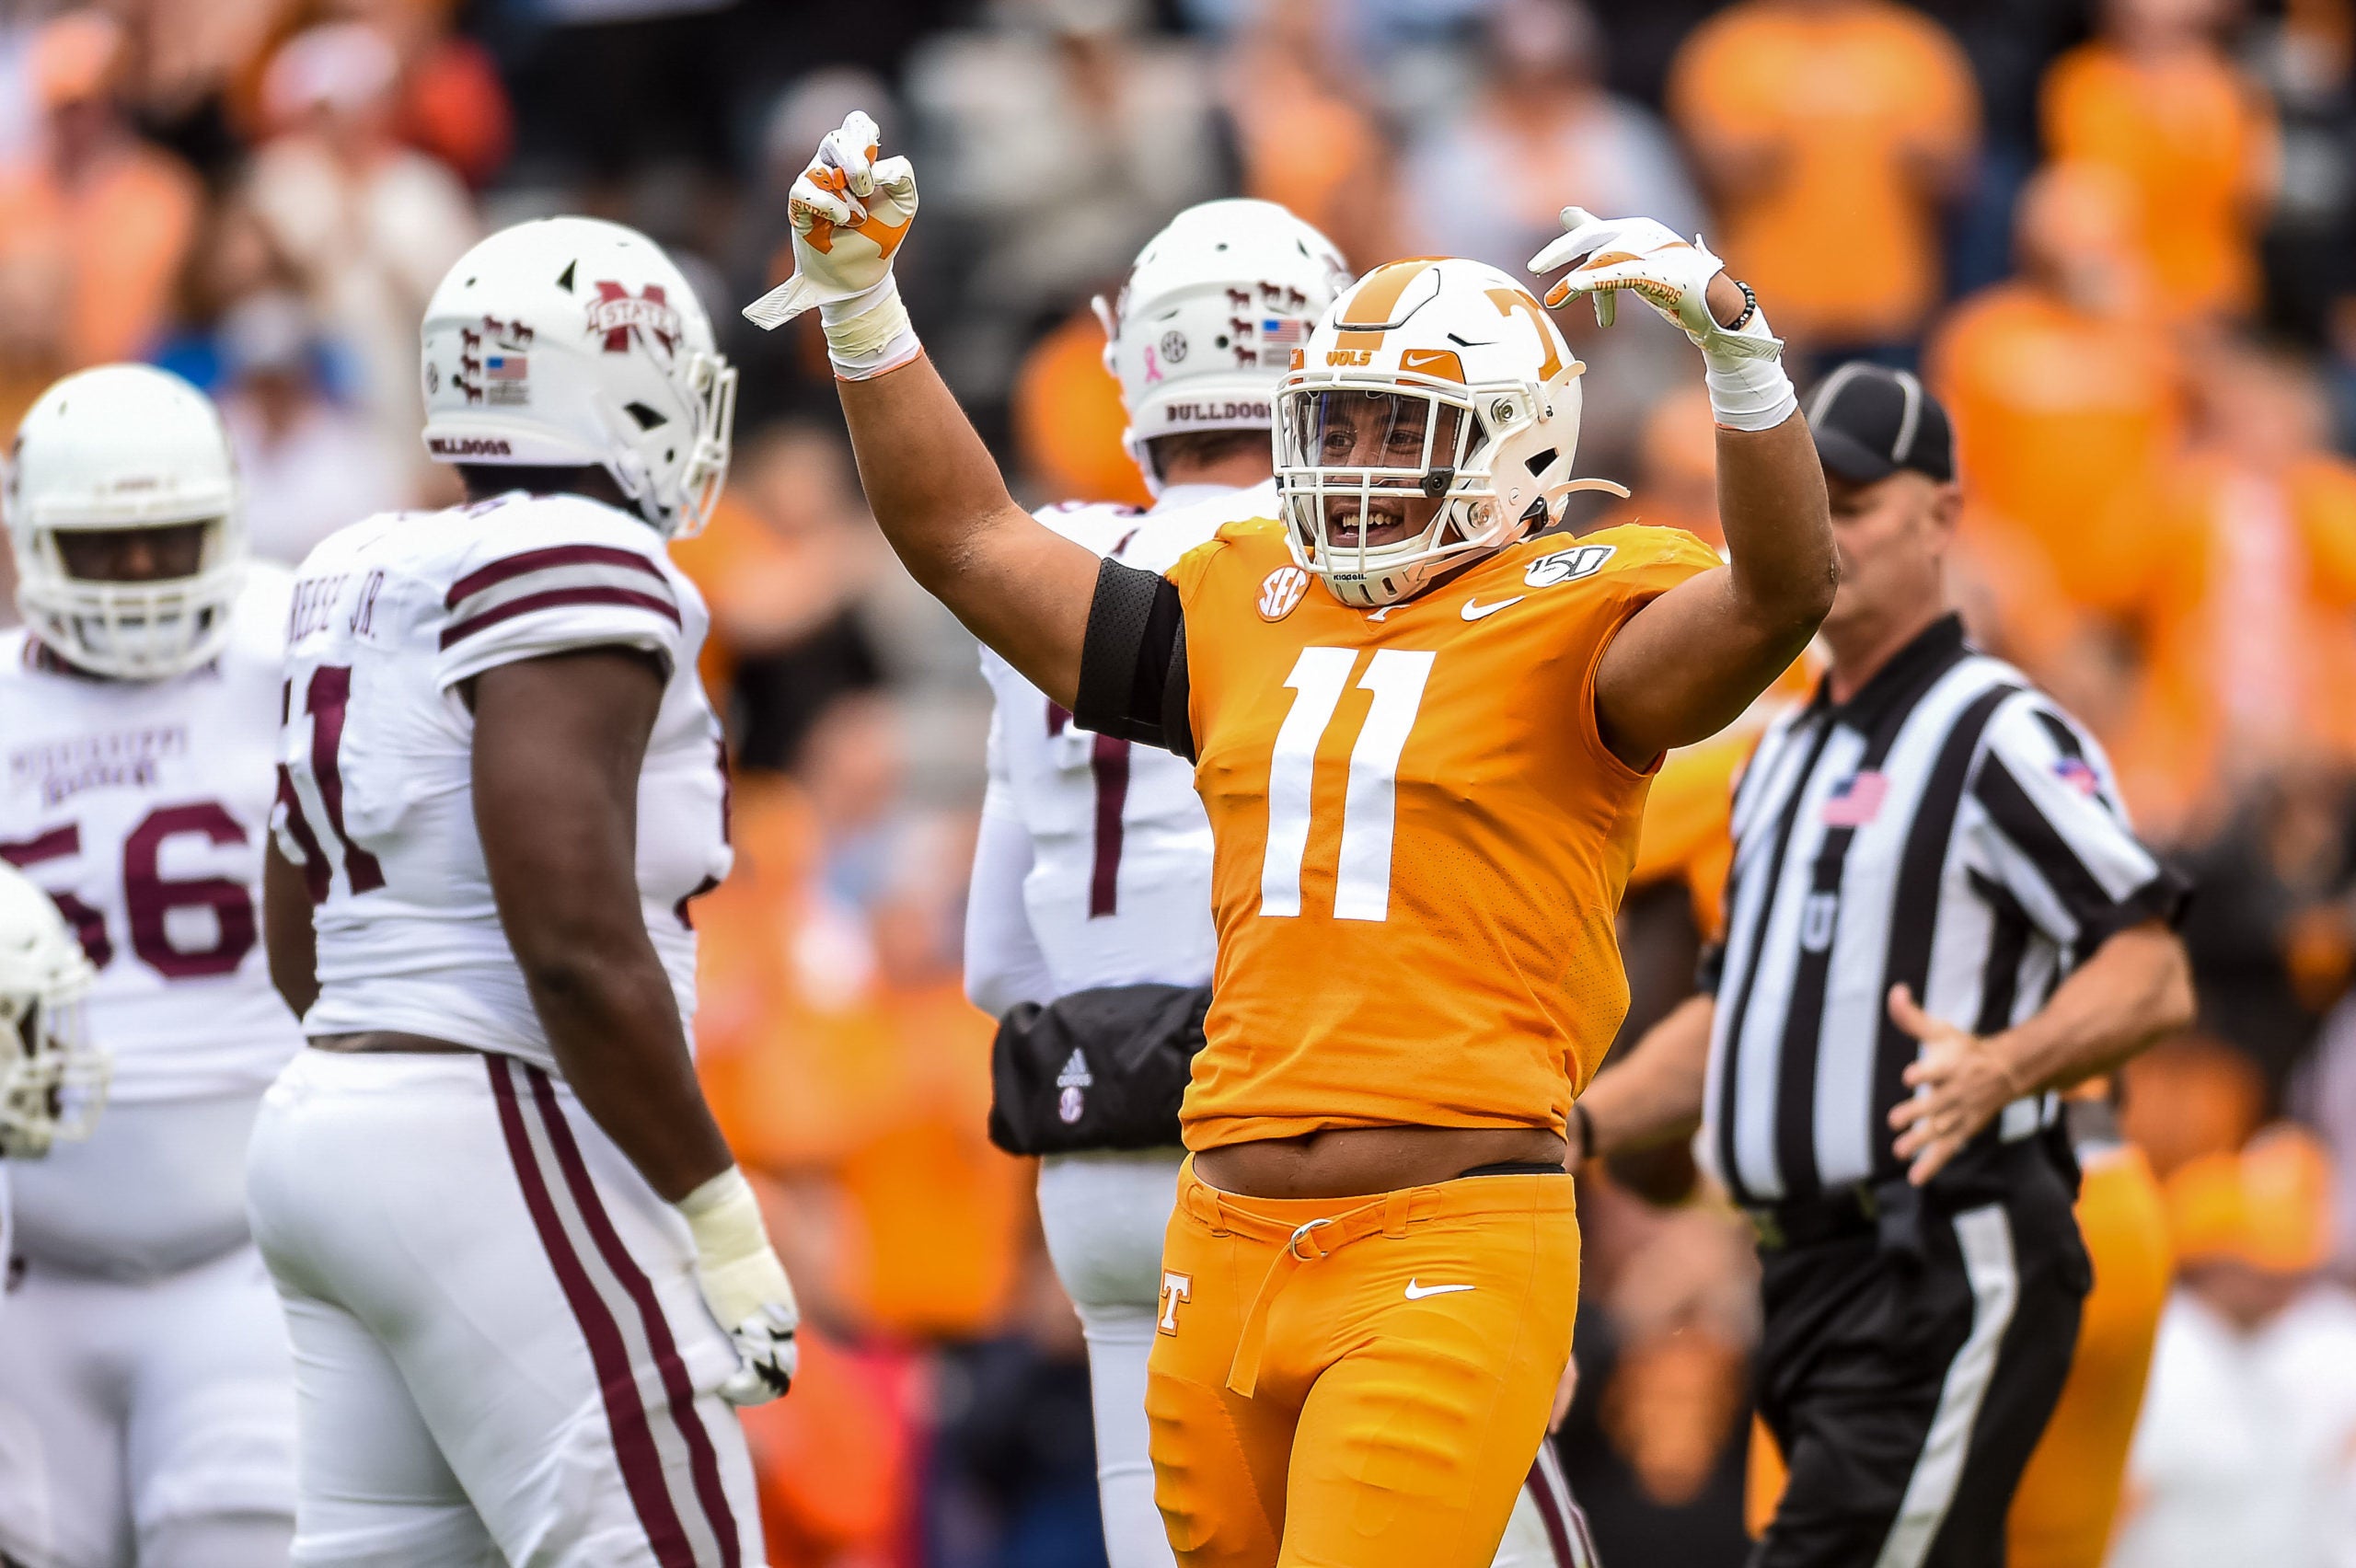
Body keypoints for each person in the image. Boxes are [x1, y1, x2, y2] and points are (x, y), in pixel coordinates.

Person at [755, 110, 1833, 1567]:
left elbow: (1776, 596)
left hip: (1444, 1234)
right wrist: (866, 311)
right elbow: (968, 544)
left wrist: (1743, 367)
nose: (1358, 461)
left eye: (1406, 426)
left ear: (1522, 450)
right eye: (1338, 422)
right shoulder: (1247, 593)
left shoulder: (1582, 612)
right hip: (1217, 1228)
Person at [967, 197, 1596, 1568]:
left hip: (1095, 1149)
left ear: (1128, 363)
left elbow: (990, 962)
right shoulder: (1352, 565)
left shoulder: (1061, 555)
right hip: (1321, 1146)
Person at [1574, 363, 2196, 1567]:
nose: (1827, 537)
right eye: (1808, 507)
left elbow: (2153, 970)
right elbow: (1741, 1018)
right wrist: (1575, 1132)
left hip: (1959, 1235)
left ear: (1944, 518)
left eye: (1853, 506)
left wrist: (2004, 1065)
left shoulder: (1989, 728)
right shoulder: (1786, 749)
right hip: (1828, 1257)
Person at [244, 215, 797, 1566]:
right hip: (487, 1108)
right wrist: (714, 1203)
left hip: (330, 1114)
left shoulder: (359, 561)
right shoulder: (580, 560)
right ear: (618, 378)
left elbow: (294, 909)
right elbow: (567, 934)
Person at [0, 363, 304, 1568]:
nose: (137, 579)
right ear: (28, 536)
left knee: (233, 1538)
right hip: (29, 1265)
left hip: (247, 1253)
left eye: (167, 542)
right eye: (103, 547)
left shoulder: (300, 651)